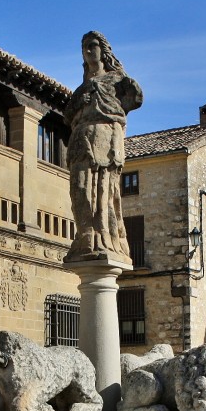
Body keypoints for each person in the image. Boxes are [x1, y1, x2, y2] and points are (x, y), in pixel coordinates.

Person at [64, 31, 143, 263]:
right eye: (84, 47)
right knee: (79, 187)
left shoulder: (116, 80)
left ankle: (103, 235)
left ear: (103, 50)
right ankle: (85, 233)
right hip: (80, 140)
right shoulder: (81, 88)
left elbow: (135, 99)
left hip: (105, 139)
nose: (88, 51)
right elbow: (67, 115)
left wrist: (129, 83)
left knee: (103, 192)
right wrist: (80, 102)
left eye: (92, 46)